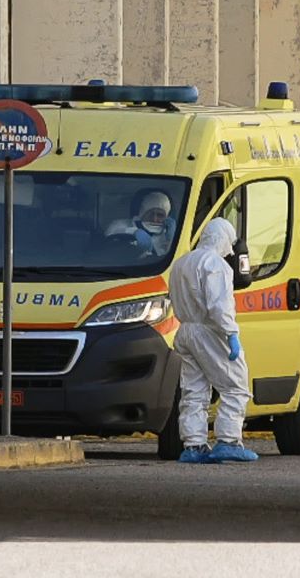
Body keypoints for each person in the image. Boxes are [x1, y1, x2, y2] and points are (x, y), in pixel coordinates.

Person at [167, 218, 256, 464]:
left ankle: (193, 445)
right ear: (224, 239)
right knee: (235, 385)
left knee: (194, 390)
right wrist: (231, 333)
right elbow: (219, 305)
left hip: (185, 330)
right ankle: (228, 441)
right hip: (209, 330)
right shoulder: (216, 264)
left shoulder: (181, 263)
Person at [105, 190, 176, 258]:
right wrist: (133, 232)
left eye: (160, 215)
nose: (154, 219)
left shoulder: (169, 233)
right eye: (151, 214)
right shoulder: (119, 225)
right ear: (142, 212)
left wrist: (172, 241)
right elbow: (109, 243)